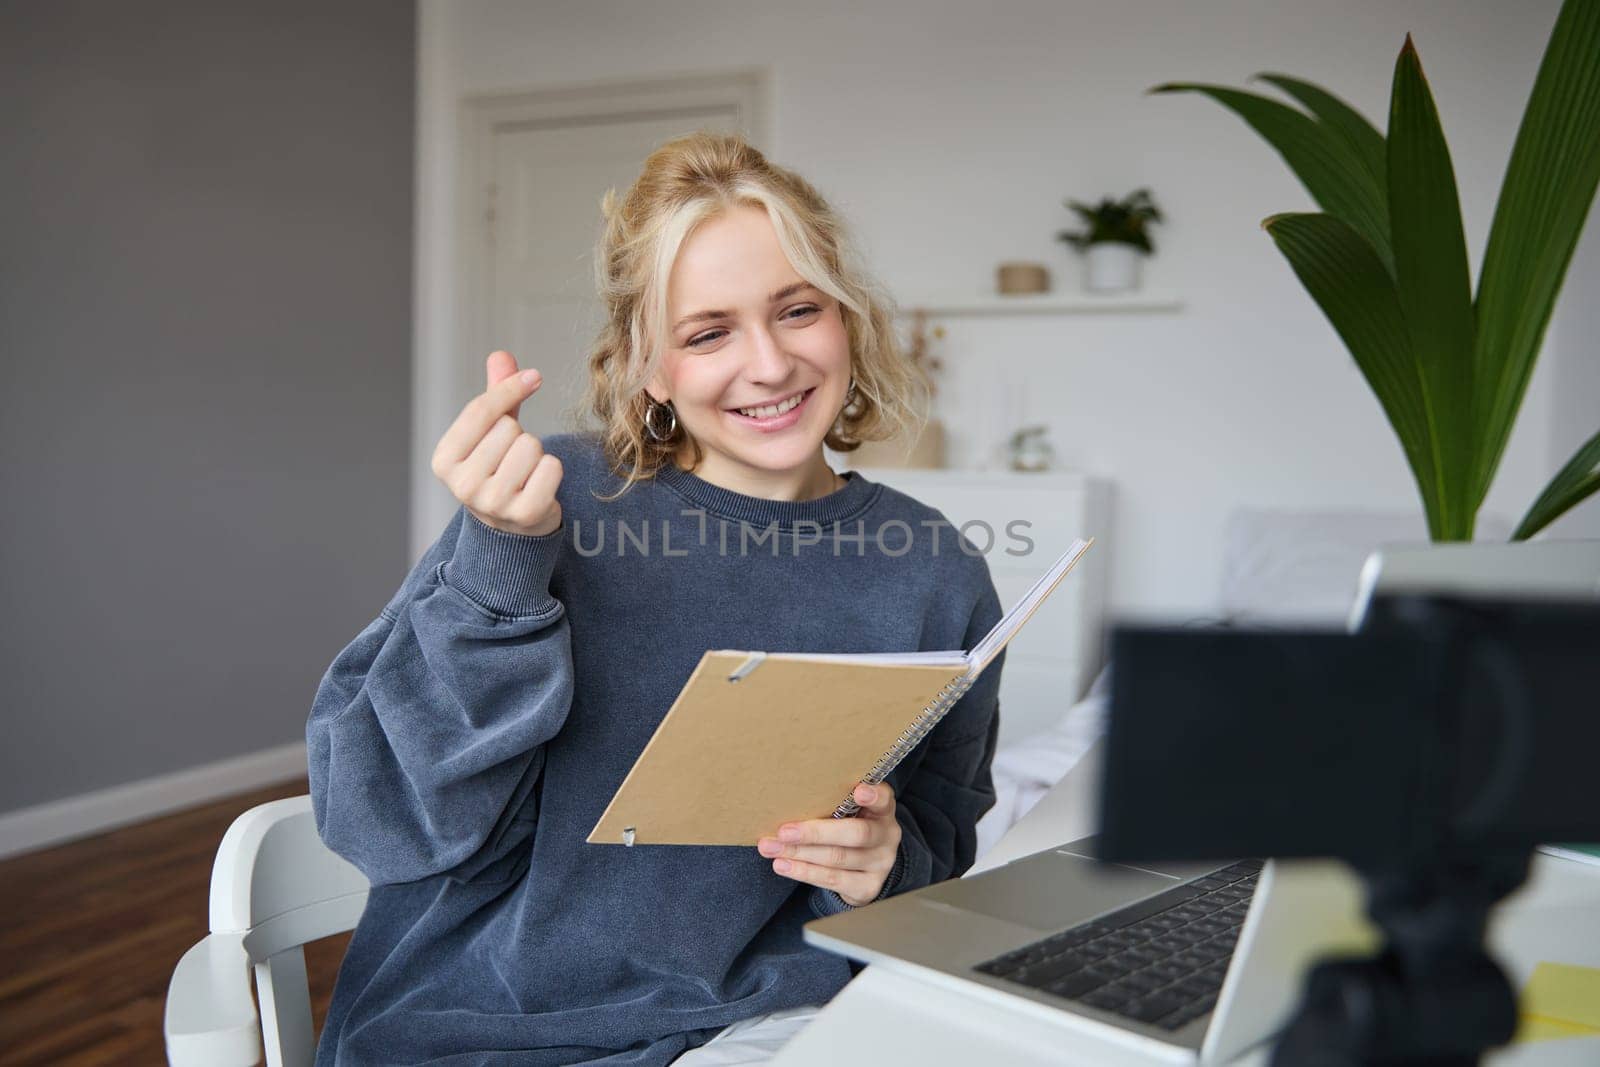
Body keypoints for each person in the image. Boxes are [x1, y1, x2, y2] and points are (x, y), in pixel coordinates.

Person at [307, 131, 1006, 1066]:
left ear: (847, 318)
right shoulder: (550, 497)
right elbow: (378, 817)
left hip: (772, 1021)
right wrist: (500, 570)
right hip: (492, 1031)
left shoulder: (938, 569)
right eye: (708, 332)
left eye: (797, 310)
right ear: (647, 365)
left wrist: (887, 863)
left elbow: (939, 839)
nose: (768, 364)